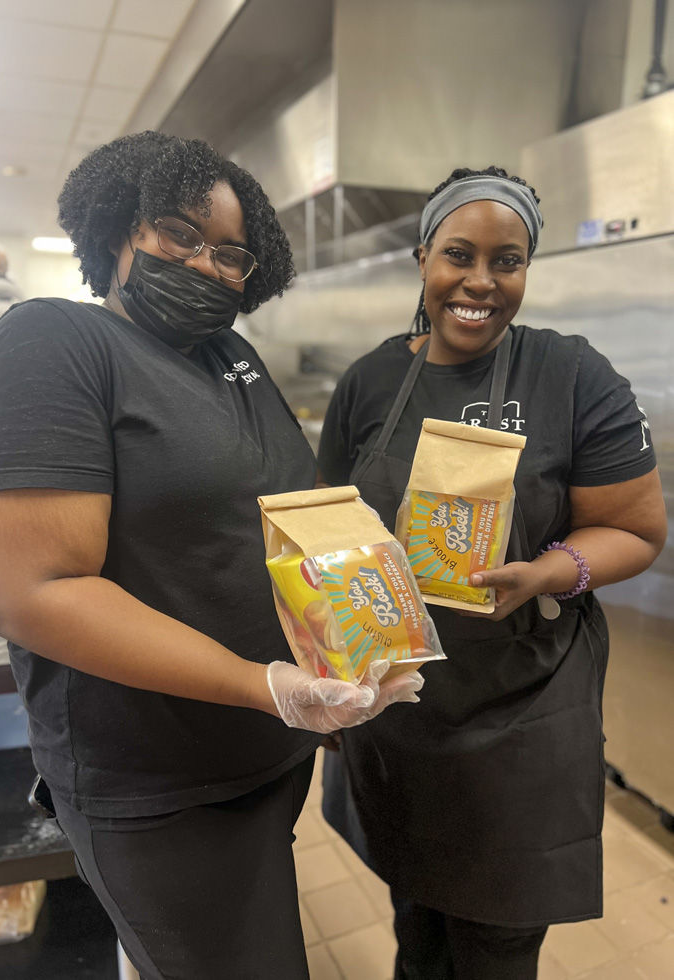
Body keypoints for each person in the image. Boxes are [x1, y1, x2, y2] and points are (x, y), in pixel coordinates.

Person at [0, 131, 423, 980]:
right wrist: (264, 685)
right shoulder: (55, 344)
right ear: (117, 230)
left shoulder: (231, 357)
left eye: (231, 253)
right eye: (179, 234)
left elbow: (274, 517)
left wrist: (360, 627)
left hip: (260, 757)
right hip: (157, 789)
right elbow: (29, 592)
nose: (209, 265)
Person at [317, 166, 667, 980]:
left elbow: (636, 530)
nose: (480, 281)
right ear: (423, 259)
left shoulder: (574, 376)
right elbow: (326, 521)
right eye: (458, 255)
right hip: (402, 707)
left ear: (526, 271)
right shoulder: (371, 380)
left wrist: (546, 573)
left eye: (506, 261)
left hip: (525, 715)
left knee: (497, 949)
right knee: (418, 924)